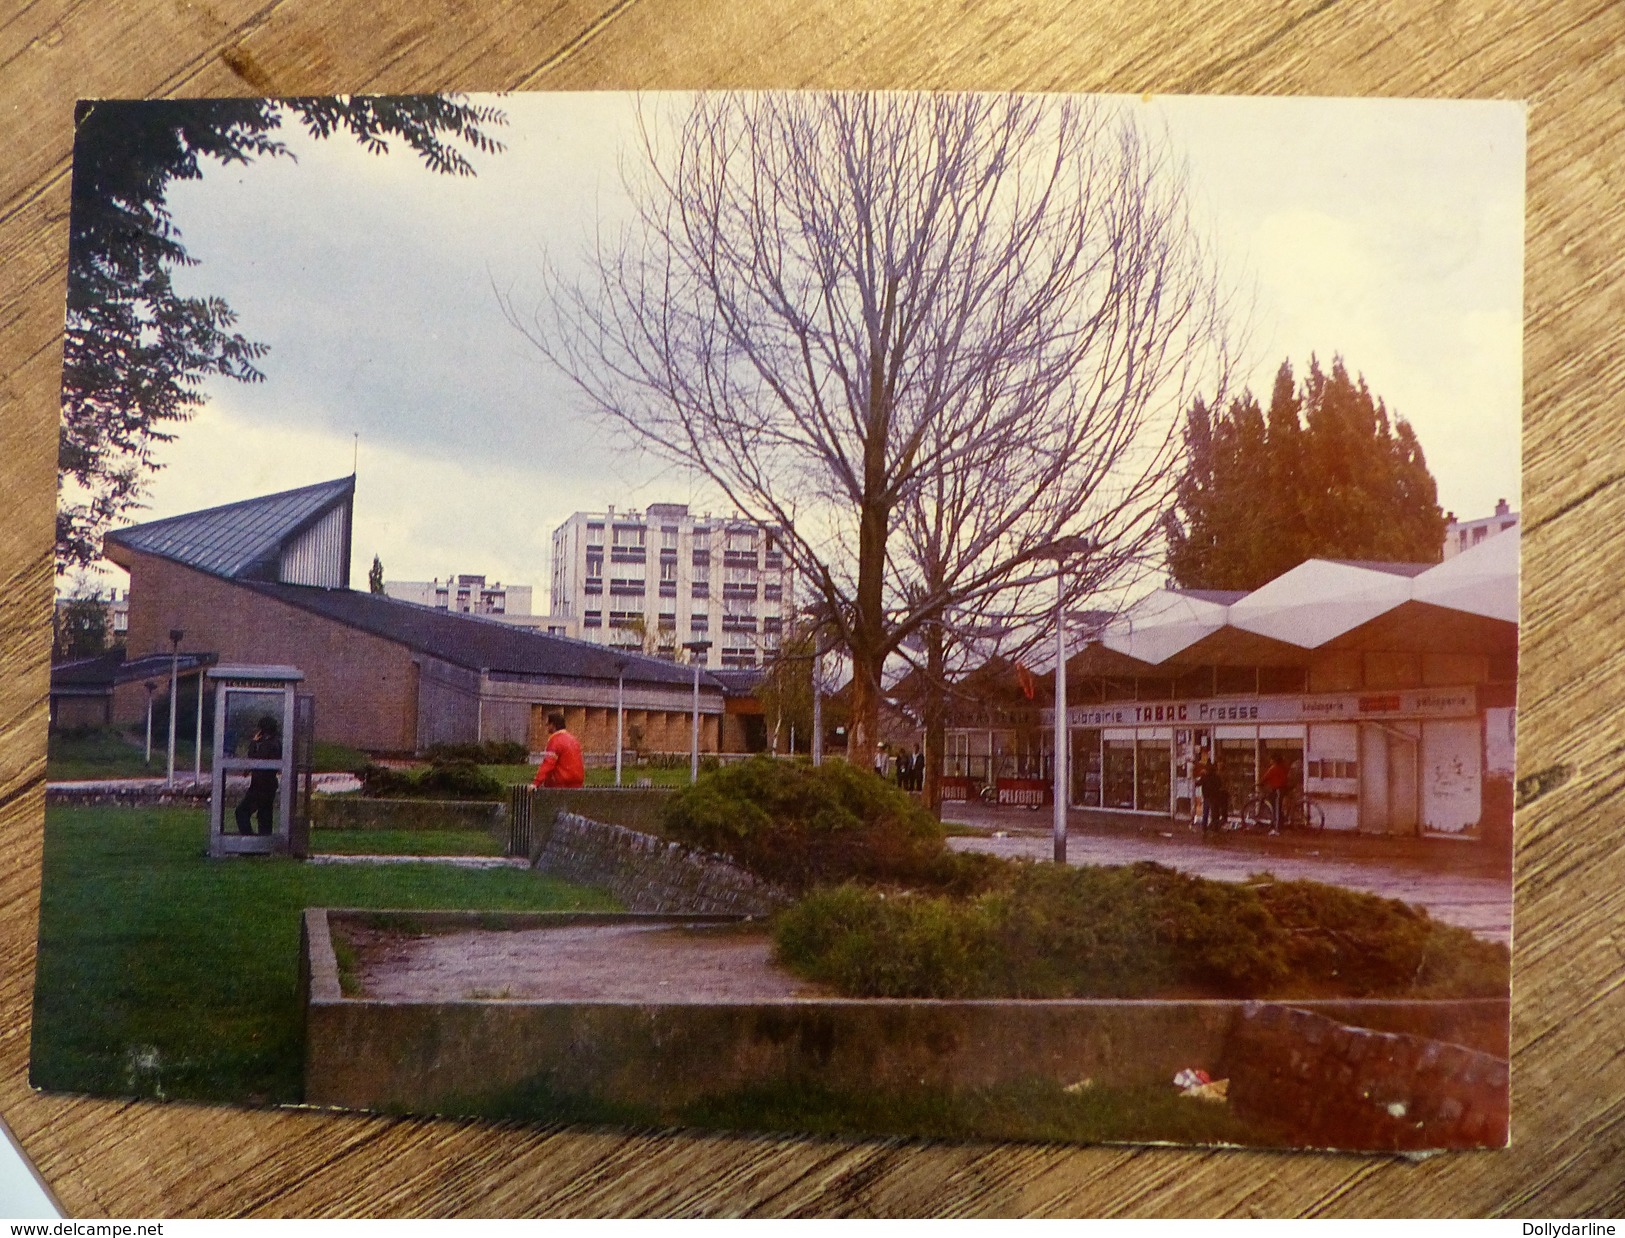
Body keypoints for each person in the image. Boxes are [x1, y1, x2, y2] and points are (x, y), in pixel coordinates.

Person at [234, 715, 281, 836]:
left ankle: (251, 841)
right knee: (264, 815)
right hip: (268, 785)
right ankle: (263, 844)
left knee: (242, 812)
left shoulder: (268, 744)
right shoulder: (276, 743)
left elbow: (255, 758)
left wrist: (254, 743)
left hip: (260, 787)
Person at [532, 711, 586, 788]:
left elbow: (548, 763)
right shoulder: (574, 740)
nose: (547, 727)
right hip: (577, 782)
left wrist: (536, 783)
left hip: (560, 783)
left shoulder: (555, 740)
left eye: (548, 724)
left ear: (553, 725)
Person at [1260, 753, 1291, 832]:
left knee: (1277, 808)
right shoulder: (1282, 767)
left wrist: (1259, 783)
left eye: (1271, 759)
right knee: (1279, 807)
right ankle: (1281, 824)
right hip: (1284, 788)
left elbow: (1265, 777)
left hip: (1278, 789)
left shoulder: (1273, 768)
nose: (1270, 761)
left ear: (1274, 760)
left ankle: (1277, 828)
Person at [1198, 753, 1227, 833]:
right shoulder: (1216, 776)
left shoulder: (1204, 776)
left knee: (1206, 813)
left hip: (1207, 796)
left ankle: (1204, 828)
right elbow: (1219, 784)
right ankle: (1215, 828)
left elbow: (1198, 783)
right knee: (1214, 813)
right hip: (1214, 796)